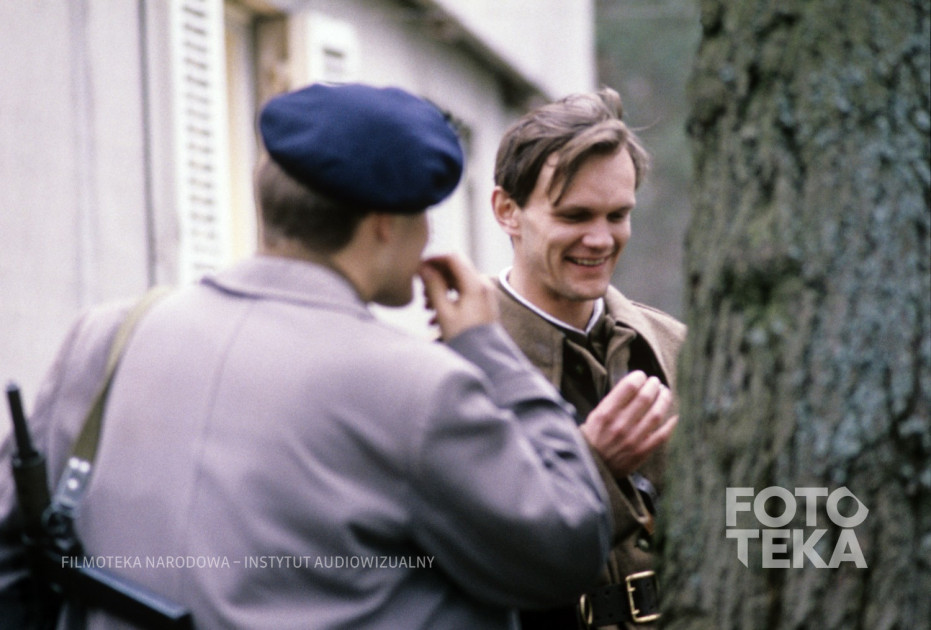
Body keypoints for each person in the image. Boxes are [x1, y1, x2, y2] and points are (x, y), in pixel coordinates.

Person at [0, 82, 613, 629]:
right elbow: (568, 546)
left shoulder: (108, 335)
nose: (428, 236)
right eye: (422, 215)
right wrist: (488, 349)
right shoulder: (417, 386)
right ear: (383, 224)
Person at [489, 87, 686, 629]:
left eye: (617, 215)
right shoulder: (456, 376)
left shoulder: (678, 351)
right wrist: (590, 469)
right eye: (575, 216)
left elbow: (751, 523)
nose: (600, 240)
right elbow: (455, 565)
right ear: (507, 211)